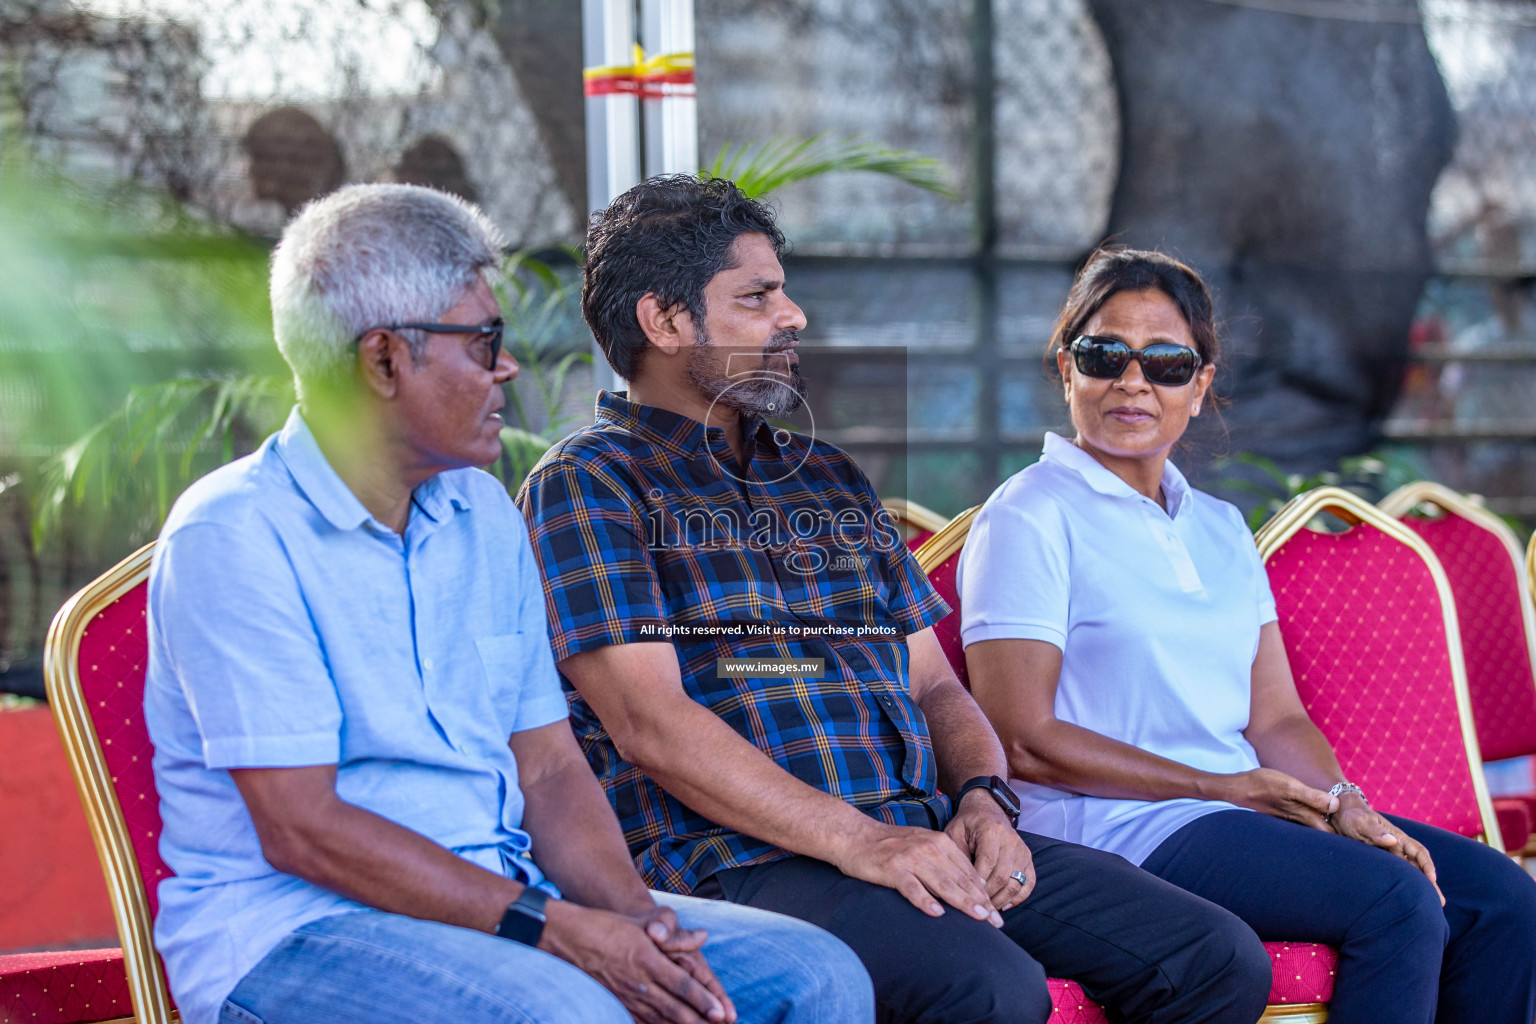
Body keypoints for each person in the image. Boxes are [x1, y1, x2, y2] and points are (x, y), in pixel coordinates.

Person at [517, 175, 1272, 1024]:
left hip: (924, 824)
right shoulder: (590, 484)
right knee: (985, 987)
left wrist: (986, 799)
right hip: (741, 856)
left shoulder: (828, 478)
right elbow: (650, 723)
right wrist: (862, 842)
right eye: (758, 296)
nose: (793, 315)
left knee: (1213, 958)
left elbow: (936, 686)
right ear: (664, 321)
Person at [144, 183, 873, 1024]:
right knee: (569, 1014)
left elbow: (551, 766)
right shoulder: (234, 532)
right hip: (300, 931)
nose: (508, 366)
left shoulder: (481, 511)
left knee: (812, 973)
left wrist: (642, 925)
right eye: (483, 340)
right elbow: (303, 828)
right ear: (383, 358)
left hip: (507, 904)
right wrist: (554, 929)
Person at [958, 246, 1536, 1024]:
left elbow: (1275, 718)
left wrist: (1345, 805)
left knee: (1502, 899)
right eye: (1105, 355)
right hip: (1116, 828)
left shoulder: (1220, 527)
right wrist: (1222, 786)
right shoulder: (1031, 514)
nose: (1133, 381)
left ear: (1200, 387)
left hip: (1238, 811)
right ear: (1067, 368)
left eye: (1166, 362)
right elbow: (1020, 737)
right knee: (1396, 901)